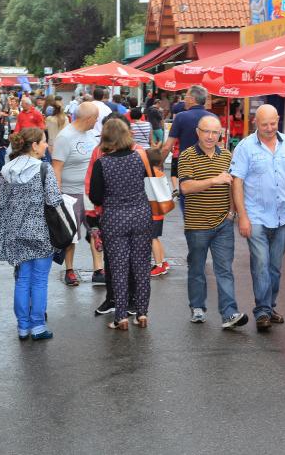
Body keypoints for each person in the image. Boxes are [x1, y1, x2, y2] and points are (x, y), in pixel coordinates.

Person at [231, 104, 285, 332]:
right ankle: (262, 310)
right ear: (255, 122)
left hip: (283, 215)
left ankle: (270, 307)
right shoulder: (245, 147)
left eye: (273, 123)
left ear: (278, 119)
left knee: (275, 266)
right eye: (264, 124)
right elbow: (237, 182)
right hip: (256, 216)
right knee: (261, 264)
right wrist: (242, 216)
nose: (270, 128)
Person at [179, 115, 248, 329]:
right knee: (197, 268)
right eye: (206, 131)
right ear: (197, 132)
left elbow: (234, 187)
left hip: (223, 224)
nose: (210, 136)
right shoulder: (187, 156)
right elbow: (185, 187)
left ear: (221, 134)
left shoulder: (227, 156)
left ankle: (229, 314)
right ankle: (197, 307)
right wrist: (214, 180)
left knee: (224, 269)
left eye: (215, 132)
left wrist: (232, 213)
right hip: (197, 224)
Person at [0, 128, 62, 340]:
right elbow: (53, 200)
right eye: (44, 142)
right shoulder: (44, 168)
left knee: (23, 280)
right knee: (40, 280)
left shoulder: (6, 169)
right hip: (42, 231)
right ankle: (38, 327)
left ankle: (23, 327)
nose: (46, 146)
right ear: (33, 145)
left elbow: (3, 205)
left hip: (17, 232)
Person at [89, 118, 152, 330]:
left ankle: (121, 317)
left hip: (115, 218)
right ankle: (142, 314)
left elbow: (95, 197)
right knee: (142, 266)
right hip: (141, 215)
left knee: (118, 267)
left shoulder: (102, 163)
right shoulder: (138, 158)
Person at [51, 102, 103, 286]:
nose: (97, 121)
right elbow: (56, 168)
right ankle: (69, 269)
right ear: (88, 118)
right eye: (95, 118)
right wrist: (57, 195)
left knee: (96, 232)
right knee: (70, 235)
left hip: (90, 193)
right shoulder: (65, 137)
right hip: (70, 194)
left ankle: (98, 269)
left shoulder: (92, 134)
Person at [161, 85, 212, 209]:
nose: (184, 99)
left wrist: (159, 163)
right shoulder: (212, 118)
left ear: (192, 99)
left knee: (189, 210)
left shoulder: (181, 117)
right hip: (209, 169)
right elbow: (219, 146)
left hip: (188, 169)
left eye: (186, 96)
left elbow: (167, 146)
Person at [145, 146, 170, 277]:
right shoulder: (160, 173)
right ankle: (164, 261)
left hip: (153, 212)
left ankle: (159, 265)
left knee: (152, 238)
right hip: (160, 211)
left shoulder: (150, 175)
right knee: (156, 238)